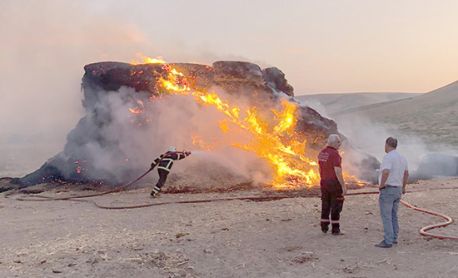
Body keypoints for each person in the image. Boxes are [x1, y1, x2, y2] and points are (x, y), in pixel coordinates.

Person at [375, 137, 409, 248]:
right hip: (398, 189)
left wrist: (381, 185)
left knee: (386, 216)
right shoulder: (402, 158)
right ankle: (394, 238)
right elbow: (406, 174)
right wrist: (403, 187)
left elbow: (385, 172)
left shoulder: (388, 157)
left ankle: (388, 240)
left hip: (388, 189)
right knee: (394, 214)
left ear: (387, 144)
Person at [317, 134, 347, 235]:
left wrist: (322, 178)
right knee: (336, 205)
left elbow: (319, 168)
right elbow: (337, 171)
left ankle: (324, 226)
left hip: (324, 183)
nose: (340, 144)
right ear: (333, 142)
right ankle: (335, 229)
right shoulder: (335, 154)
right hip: (334, 183)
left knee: (325, 204)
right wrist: (343, 186)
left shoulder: (322, 153)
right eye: (338, 142)